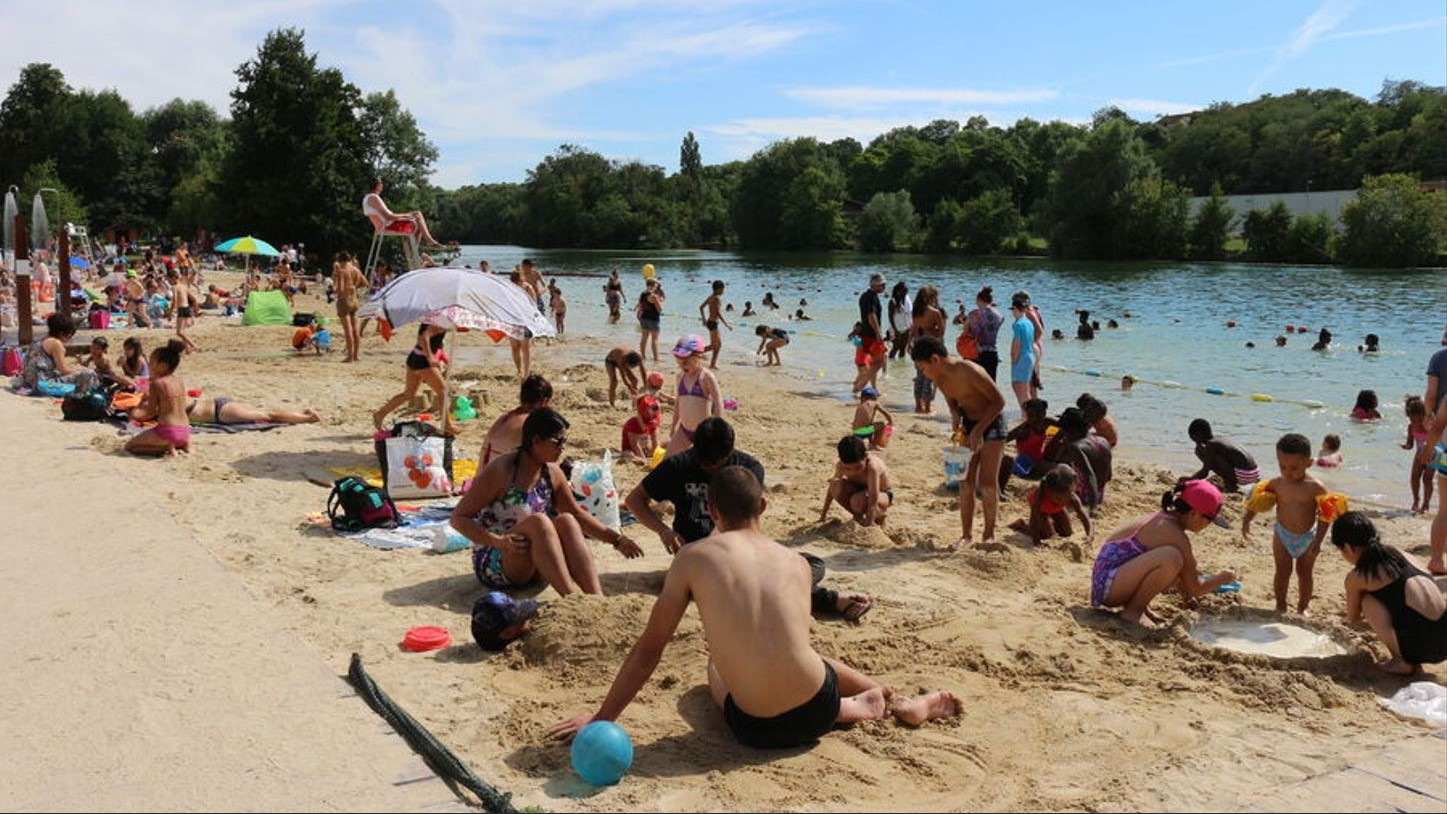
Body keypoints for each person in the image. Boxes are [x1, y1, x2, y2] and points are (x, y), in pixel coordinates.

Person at [551, 466, 957, 748]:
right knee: (805, 656)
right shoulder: (798, 564)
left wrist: (602, 718)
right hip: (816, 706)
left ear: (712, 512)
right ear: (763, 506)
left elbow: (648, 651)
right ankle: (872, 699)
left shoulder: (692, 557)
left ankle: (856, 706)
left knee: (716, 666)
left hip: (757, 729)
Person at [626, 417, 870, 620]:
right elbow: (635, 500)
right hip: (697, 559)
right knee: (756, 581)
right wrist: (663, 531)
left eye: (716, 463)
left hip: (740, 551)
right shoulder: (678, 466)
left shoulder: (749, 470)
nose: (709, 468)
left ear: (730, 453)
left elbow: (748, 525)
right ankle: (832, 601)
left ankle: (817, 598)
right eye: (703, 463)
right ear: (693, 449)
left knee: (811, 564)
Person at [452, 408, 642, 597]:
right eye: (557, 441)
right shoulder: (502, 470)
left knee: (567, 520)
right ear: (535, 441)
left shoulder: (552, 472)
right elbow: (458, 518)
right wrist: (498, 541)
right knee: (540, 522)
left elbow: (577, 515)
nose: (562, 447)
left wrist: (617, 540)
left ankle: (595, 597)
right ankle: (571, 598)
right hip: (499, 558)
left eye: (564, 441)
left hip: (538, 559)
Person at [1092, 480, 1235, 627]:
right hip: (1108, 587)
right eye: (1209, 520)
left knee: (1180, 565)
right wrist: (1224, 578)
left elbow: (1188, 574)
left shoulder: (1165, 518)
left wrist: (1184, 592)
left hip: (1109, 580)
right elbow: (1196, 588)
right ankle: (1133, 612)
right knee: (1172, 558)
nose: (1208, 526)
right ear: (1193, 514)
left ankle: (1140, 607)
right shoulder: (1172, 532)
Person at [911, 336, 1007, 549]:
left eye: (922, 368)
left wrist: (980, 430)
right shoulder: (940, 378)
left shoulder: (969, 370)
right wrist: (955, 416)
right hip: (968, 425)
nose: (923, 373)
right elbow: (952, 401)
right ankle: (966, 535)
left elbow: (999, 402)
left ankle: (989, 533)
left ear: (935, 359)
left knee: (988, 484)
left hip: (991, 424)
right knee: (965, 482)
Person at [1329, 512, 1446, 676]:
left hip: (1422, 648)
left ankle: (1402, 662)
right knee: (1395, 597)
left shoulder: (1358, 576)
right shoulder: (1402, 554)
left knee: (1367, 600)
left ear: (1347, 547)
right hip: (1444, 639)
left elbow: (1353, 618)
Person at [1242, 433, 1329, 614]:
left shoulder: (1316, 487)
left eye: (1294, 468)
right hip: (1282, 535)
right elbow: (1256, 502)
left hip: (1308, 537)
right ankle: (1280, 605)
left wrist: (1318, 540)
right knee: (1282, 571)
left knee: (1305, 574)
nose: (1288, 472)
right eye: (1282, 467)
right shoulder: (1276, 484)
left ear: (1309, 463)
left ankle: (1302, 607)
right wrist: (1247, 521)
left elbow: (1325, 515)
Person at [373, 324, 455, 434]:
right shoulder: (438, 321)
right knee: (443, 391)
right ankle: (447, 425)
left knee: (408, 393)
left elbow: (436, 342)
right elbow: (424, 338)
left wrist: (443, 358)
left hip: (415, 357)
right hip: (423, 362)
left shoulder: (431, 319)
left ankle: (380, 414)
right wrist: (430, 357)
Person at [125, 341, 191, 456]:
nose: (148, 365)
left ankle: (167, 448)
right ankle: (179, 445)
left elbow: (150, 413)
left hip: (169, 431)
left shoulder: (157, 383)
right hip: (186, 431)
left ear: (162, 366)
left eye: (151, 362)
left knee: (130, 446)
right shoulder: (179, 381)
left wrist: (135, 414)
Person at [1045, 407, 1113, 517]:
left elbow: (1089, 475)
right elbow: (1109, 475)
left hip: (1085, 496)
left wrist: (1093, 508)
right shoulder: (1103, 440)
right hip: (1100, 493)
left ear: (1069, 430)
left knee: (1053, 468)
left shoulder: (1076, 447)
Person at [1008, 465, 1093, 549]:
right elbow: (1034, 520)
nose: (1063, 500)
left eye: (1067, 496)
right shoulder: (1039, 498)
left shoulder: (1071, 498)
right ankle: (1021, 525)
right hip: (1042, 510)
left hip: (1057, 509)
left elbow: (1085, 518)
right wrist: (1037, 542)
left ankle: (1049, 525)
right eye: (1058, 498)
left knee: (1067, 533)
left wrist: (1089, 536)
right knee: (1047, 535)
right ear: (1049, 492)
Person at [666, 335, 724, 455]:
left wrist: (715, 427)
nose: (683, 365)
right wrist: (673, 427)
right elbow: (678, 404)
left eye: (686, 361)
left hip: (703, 432)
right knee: (669, 459)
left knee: (704, 462)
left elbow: (718, 403)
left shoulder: (705, 377)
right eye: (679, 362)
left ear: (699, 356)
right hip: (684, 430)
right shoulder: (680, 377)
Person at [820, 435, 893, 527]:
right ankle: (858, 516)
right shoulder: (840, 466)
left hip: (882, 494)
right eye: (848, 469)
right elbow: (831, 490)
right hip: (859, 491)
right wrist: (823, 515)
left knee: (859, 501)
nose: (853, 471)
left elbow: (873, 496)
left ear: (865, 457)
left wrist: (869, 524)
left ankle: (880, 516)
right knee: (836, 485)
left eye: (858, 467)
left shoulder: (872, 467)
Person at [480, 374, 552, 466]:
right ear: (544, 402)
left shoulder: (504, 418)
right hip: (503, 478)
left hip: (483, 477)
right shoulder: (532, 423)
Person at [18, 313, 100, 392]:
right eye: (69, 336)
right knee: (89, 374)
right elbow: (63, 370)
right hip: (43, 385)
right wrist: (79, 370)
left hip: (29, 382)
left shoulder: (39, 342)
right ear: (62, 334)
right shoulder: (56, 344)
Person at [1186, 418, 1259, 492]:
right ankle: (1230, 482)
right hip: (1255, 474)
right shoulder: (1219, 439)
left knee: (1200, 452)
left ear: (1199, 434)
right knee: (1211, 455)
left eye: (1192, 437)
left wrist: (1189, 480)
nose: (1193, 440)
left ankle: (1230, 484)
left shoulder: (1211, 444)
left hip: (1244, 475)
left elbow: (1205, 472)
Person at [361, 177, 440, 245]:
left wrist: (408, 215)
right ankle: (427, 243)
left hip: (386, 224)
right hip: (388, 225)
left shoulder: (367, 197)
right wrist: (407, 215)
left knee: (417, 215)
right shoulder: (374, 198)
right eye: (381, 184)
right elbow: (388, 217)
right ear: (378, 186)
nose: (382, 186)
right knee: (417, 219)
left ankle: (421, 247)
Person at [908, 285, 946, 414]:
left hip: (917, 343)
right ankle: (928, 407)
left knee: (919, 376)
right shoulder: (935, 312)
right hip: (930, 344)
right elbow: (941, 332)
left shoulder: (916, 311)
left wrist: (909, 343)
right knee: (929, 377)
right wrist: (930, 330)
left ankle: (918, 406)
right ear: (932, 298)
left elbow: (913, 329)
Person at [1003, 398, 1055, 483]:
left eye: (1038, 415)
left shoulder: (1047, 422)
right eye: (1030, 416)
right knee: (1055, 467)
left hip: (1040, 460)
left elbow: (1065, 426)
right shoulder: (1023, 429)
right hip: (1025, 465)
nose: (1034, 419)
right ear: (1026, 414)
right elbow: (1002, 440)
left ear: (1044, 413)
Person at [184, 394, 321, 426]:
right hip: (219, 406)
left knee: (268, 415)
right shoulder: (175, 390)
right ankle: (302, 414)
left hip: (221, 412)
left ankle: (309, 418)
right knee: (266, 413)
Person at [852, 273, 888, 392]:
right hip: (871, 335)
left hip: (866, 334)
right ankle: (860, 385)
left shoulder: (865, 296)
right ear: (875, 285)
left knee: (873, 362)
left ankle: (871, 388)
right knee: (879, 362)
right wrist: (878, 333)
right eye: (883, 285)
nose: (884, 287)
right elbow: (871, 315)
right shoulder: (871, 297)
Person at [332, 251, 367, 363]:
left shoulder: (342, 271)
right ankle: (356, 356)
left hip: (344, 300)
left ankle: (350, 356)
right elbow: (365, 283)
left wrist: (333, 286)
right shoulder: (355, 270)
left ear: (340, 261)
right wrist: (354, 287)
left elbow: (340, 289)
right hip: (354, 300)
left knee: (348, 331)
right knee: (355, 329)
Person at [963, 286, 1003, 382]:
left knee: (975, 386)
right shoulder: (999, 315)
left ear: (980, 300)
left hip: (976, 353)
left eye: (976, 301)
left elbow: (966, 332)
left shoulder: (974, 314)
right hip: (992, 353)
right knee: (991, 386)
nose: (975, 303)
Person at [1008, 295, 1038, 412]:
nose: (1012, 313)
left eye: (1013, 310)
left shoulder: (1018, 324)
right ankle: (1028, 416)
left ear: (1016, 309)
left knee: (1019, 389)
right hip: (1030, 356)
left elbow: (1016, 344)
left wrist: (1014, 359)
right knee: (1025, 390)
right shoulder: (1029, 323)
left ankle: (1026, 417)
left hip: (1021, 357)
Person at [1013, 290, 1045, 393]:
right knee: (1032, 381)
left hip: (1033, 348)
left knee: (1030, 382)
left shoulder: (1028, 313)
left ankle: (1033, 406)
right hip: (1037, 347)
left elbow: (1040, 330)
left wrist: (1031, 343)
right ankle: (1033, 406)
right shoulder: (1034, 310)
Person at [698, 281, 733, 369]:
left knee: (714, 345)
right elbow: (717, 313)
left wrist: (704, 319)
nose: (723, 291)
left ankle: (697, 353)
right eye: (722, 289)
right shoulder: (716, 298)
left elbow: (701, 307)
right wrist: (726, 324)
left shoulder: (711, 297)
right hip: (713, 323)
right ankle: (711, 364)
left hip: (710, 322)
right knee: (717, 345)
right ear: (718, 289)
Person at [621, 394, 663, 462]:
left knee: (669, 442)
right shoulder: (632, 423)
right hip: (632, 450)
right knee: (629, 454)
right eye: (652, 409)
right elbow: (634, 445)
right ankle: (638, 460)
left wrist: (656, 457)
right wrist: (644, 460)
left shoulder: (653, 420)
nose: (655, 412)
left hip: (646, 448)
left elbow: (654, 440)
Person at [851, 386, 893, 450]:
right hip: (865, 431)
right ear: (874, 397)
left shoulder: (861, 406)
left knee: (870, 425)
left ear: (862, 398)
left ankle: (870, 442)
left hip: (856, 433)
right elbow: (888, 415)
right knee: (882, 424)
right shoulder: (875, 403)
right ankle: (874, 445)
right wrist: (890, 425)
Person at [171, 269, 200, 353]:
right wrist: (196, 309)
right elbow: (193, 299)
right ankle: (187, 348)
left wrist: (170, 312)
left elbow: (174, 300)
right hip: (187, 309)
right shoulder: (184, 286)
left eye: (168, 280)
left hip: (182, 309)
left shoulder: (174, 287)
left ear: (173, 278)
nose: (168, 282)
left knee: (179, 332)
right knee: (182, 331)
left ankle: (193, 345)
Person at [636, 280, 663, 363]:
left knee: (644, 338)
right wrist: (660, 301)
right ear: (652, 285)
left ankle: (643, 356)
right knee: (654, 340)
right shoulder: (653, 296)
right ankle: (656, 358)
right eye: (656, 285)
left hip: (644, 318)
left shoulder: (643, 294)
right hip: (653, 319)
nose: (657, 287)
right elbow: (660, 309)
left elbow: (640, 307)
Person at [886, 282, 912, 360]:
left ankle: (901, 366)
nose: (905, 293)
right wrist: (895, 329)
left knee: (903, 348)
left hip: (906, 326)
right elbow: (890, 317)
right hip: (896, 327)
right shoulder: (892, 302)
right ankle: (890, 363)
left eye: (906, 291)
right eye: (903, 291)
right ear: (898, 292)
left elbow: (910, 313)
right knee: (896, 347)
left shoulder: (907, 300)